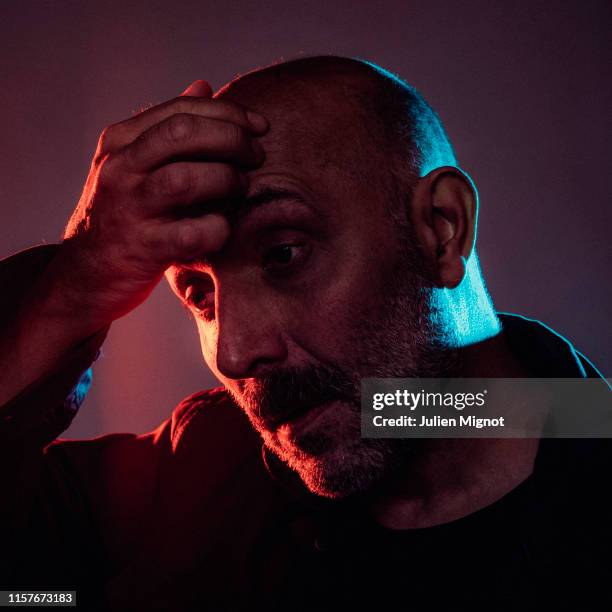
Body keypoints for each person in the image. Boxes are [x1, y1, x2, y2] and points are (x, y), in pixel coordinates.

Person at [0, 56, 609, 611]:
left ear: (442, 228)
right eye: (200, 296)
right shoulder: (195, 478)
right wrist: (70, 288)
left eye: (285, 254)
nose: (236, 353)